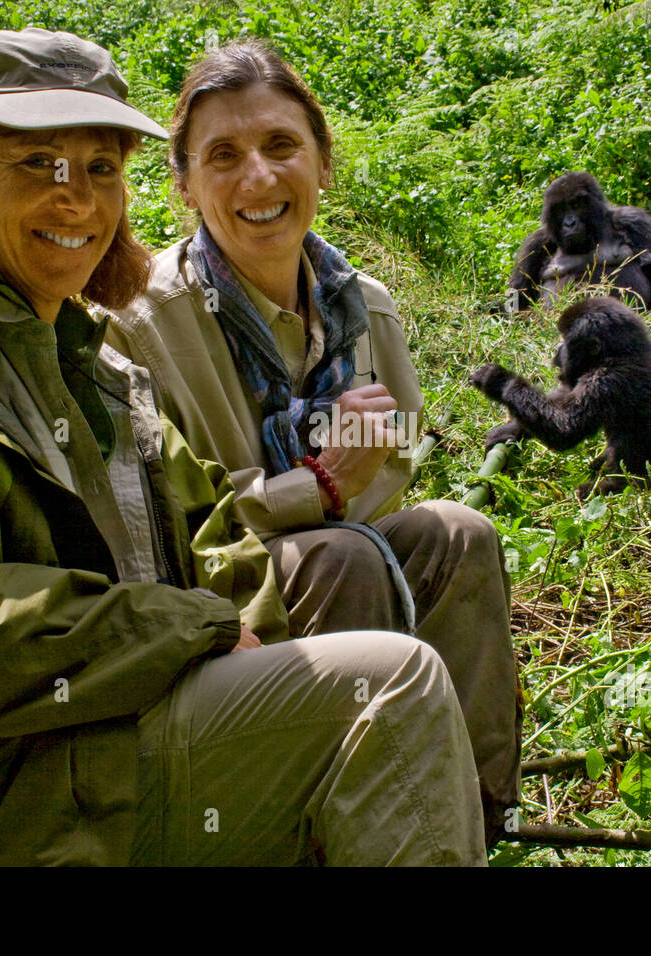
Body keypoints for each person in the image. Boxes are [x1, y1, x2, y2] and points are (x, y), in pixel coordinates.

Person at [0, 27, 486, 866]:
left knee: (435, 562)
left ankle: (480, 811)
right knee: (382, 671)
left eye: (100, 169)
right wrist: (202, 616)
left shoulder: (99, 357)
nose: (75, 199)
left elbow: (224, 546)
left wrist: (235, 635)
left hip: (120, 733)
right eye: (37, 164)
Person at [103, 41, 523, 843]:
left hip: (327, 550)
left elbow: (393, 462)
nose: (258, 178)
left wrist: (344, 483)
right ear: (184, 185)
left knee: (459, 534)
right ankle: (339, 828)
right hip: (211, 597)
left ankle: (471, 813)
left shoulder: (362, 302)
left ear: (322, 165)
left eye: (281, 146)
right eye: (222, 156)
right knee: (341, 554)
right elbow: (166, 535)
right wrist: (316, 489)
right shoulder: (140, 323)